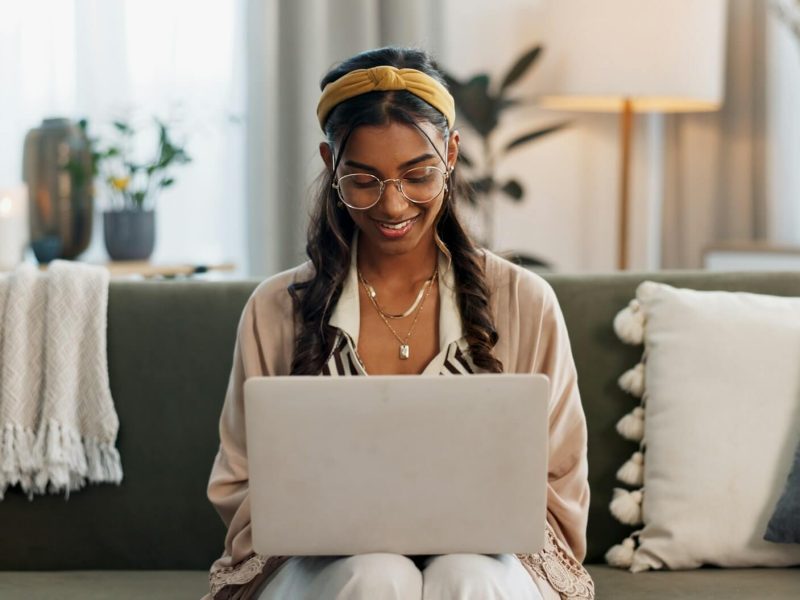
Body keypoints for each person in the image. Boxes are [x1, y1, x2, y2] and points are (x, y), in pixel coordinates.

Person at [203, 46, 594, 600]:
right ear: (329, 163)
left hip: (490, 565)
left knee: (469, 577)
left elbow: (560, 484)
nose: (392, 206)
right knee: (375, 574)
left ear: (452, 153)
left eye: (418, 175)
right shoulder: (275, 309)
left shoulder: (526, 302)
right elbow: (240, 481)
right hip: (327, 568)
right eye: (364, 180)